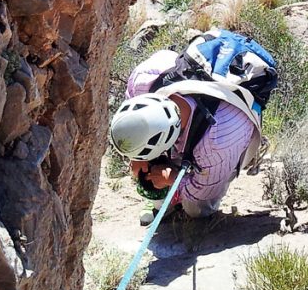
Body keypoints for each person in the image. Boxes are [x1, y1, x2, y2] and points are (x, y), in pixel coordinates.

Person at [110, 34, 274, 223]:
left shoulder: (217, 143)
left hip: (230, 129)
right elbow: (166, 56)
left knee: (196, 210)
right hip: (200, 116)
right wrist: (135, 157)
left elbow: (203, 190)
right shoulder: (144, 81)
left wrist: (172, 179)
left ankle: (176, 195)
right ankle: (165, 196)